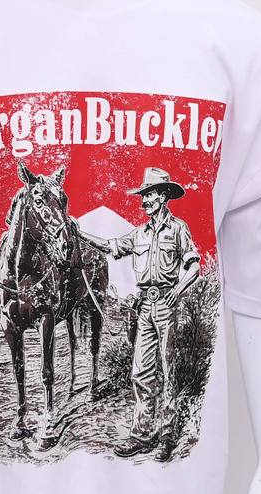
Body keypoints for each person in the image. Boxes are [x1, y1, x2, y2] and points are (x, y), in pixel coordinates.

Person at [76, 167, 200, 461]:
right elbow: (112, 246)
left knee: (168, 370)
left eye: (149, 195)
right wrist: (79, 234)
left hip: (167, 306)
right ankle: (143, 434)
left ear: (163, 196)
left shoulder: (178, 229)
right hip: (144, 308)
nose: (144, 201)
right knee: (142, 372)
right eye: (143, 196)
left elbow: (194, 266)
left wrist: (178, 289)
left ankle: (167, 434)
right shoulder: (139, 234)